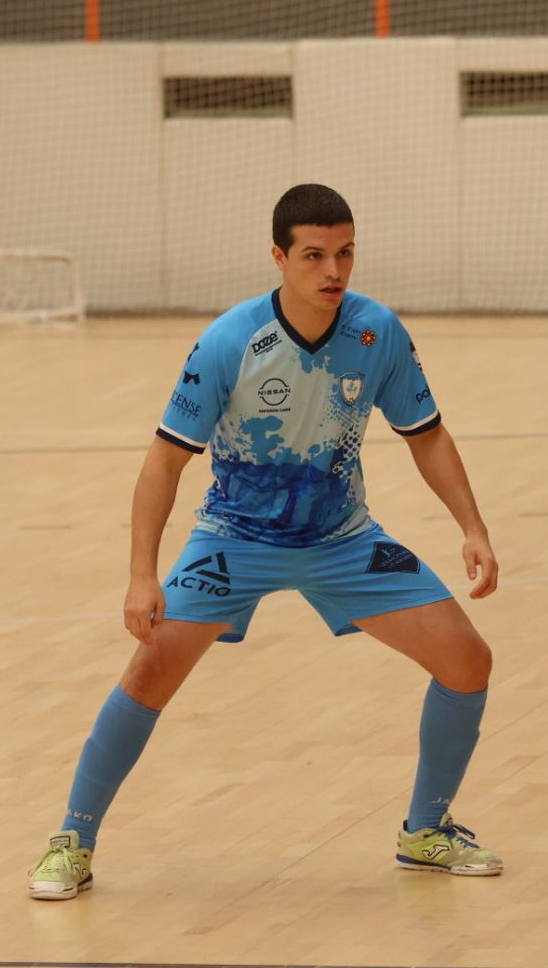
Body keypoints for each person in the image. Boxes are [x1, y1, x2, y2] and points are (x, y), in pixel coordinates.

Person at [28, 183, 503, 900]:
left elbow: (426, 435)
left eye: (344, 253)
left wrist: (473, 527)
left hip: (343, 539)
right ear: (279, 257)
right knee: (149, 672)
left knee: (468, 659)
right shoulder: (230, 342)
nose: (332, 271)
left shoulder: (377, 334)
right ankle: (73, 837)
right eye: (313, 255)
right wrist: (141, 574)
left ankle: (425, 829)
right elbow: (164, 459)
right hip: (234, 539)